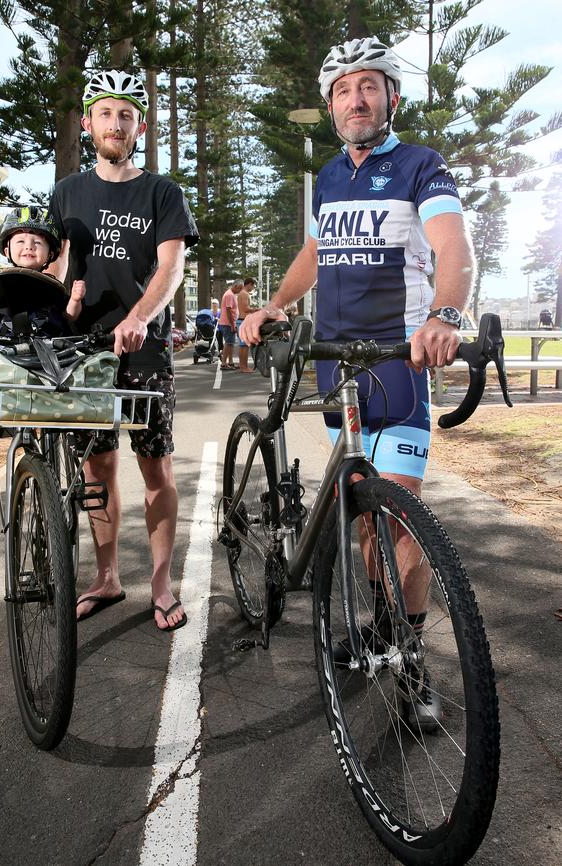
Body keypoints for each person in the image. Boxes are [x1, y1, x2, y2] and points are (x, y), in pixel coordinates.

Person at [240, 37, 476, 730]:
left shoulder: (419, 165)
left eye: (368, 86)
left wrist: (445, 313)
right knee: (363, 509)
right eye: (343, 90)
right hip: (335, 364)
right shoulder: (330, 176)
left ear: (390, 97)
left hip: (399, 366)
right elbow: (313, 253)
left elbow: (454, 246)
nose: (355, 99)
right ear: (332, 104)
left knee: (403, 517)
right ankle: (379, 629)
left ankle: (411, 658)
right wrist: (278, 304)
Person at [48, 70, 199, 630]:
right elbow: (62, 267)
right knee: (96, 466)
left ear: (141, 126)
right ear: (89, 123)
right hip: (84, 354)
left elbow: (172, 265)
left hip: (143, 350)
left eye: (127, 115)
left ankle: (161, 583)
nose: (117, 124)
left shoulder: (162, 192)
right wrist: (49, 301)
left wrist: (139, 317)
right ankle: (107, 578)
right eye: (106, 113)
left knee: (154, 467)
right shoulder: (67, 192)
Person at [0, 207, 86, 335]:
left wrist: (75, 300)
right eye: (20, 241)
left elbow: (70, 315)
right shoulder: (0, 283)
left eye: (38, 242)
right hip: (6, 348)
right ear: (7, 251)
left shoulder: (53, 286)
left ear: (50, 254)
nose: (29, 246)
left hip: (51, 349)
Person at [236, 277, 258, 372]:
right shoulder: (244, 294)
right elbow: (245, 309)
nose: (253, 289)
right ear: (249, 284)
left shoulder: (241, 293)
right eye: (253, 286)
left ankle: (242, 366)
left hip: (241, 320)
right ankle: (244, 367)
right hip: (243, 320)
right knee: (244, 346)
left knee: (243, 345)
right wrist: (255, 310)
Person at [218, 281, 242, 369]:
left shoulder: (232, 294)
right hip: (227, 323)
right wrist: (232, 324)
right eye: (239, 288)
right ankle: (224, 363)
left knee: (231, 343)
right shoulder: (229, 295)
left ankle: (230, 362)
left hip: (229, 323)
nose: (240, 290)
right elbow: (228, 311)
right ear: (235, 286)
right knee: (228, 343)